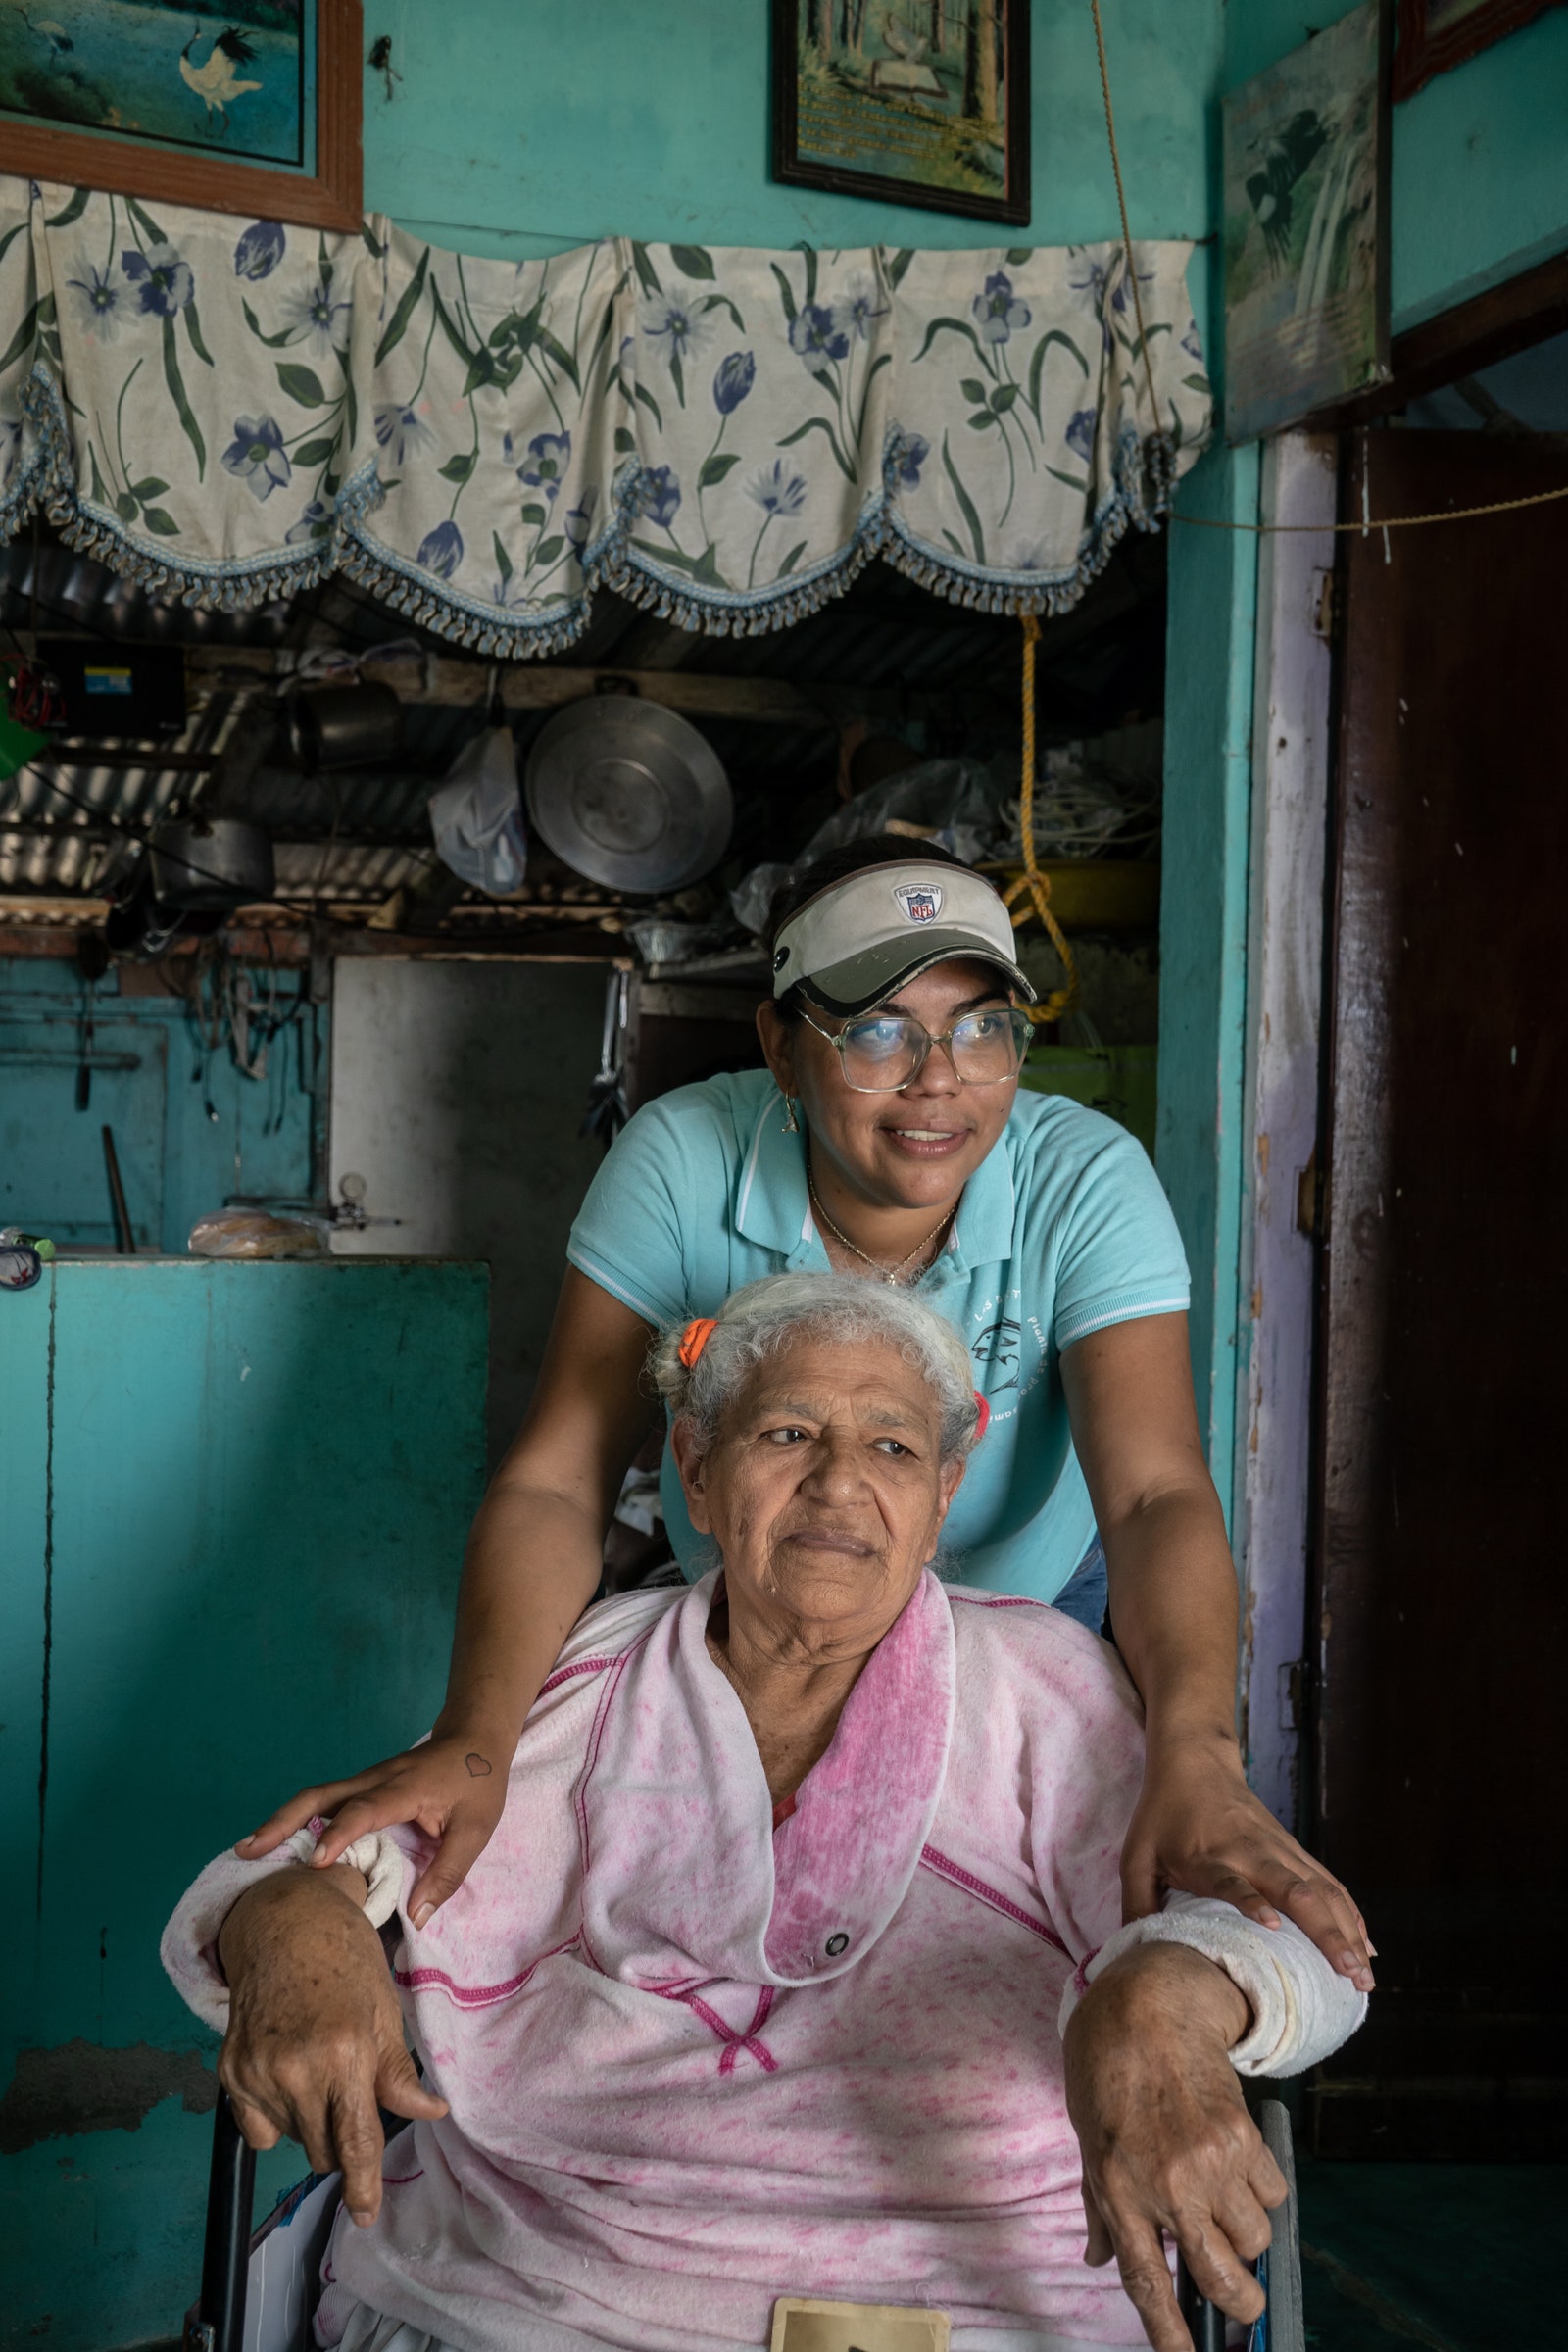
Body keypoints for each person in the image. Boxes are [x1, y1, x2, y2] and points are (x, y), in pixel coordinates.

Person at [243, 837, 1371, 1988]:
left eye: (982, 1026)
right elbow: (559, 1478)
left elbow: (1152, 1493)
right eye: (877, 1028)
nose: (939, 1079)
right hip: (757, 1614)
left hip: (1020, 1605)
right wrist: (473, 1737)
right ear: (781, 1046)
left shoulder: (1081, 1176)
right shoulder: (685, 1159)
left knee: (1039, 1922)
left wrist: (1199, 1754)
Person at [166, 1277, 1367, 2352]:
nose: (840, 1481)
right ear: (696, 1468)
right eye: (788, 1433)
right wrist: (294, 1921)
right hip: (541, 2298)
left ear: (943, 1495)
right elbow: (328, 1868)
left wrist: (1165, 1997)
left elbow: (1277, 1935)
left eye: (893, 1448)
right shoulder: (571, 1680)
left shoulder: (1047, 1690)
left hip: (988, 2306)